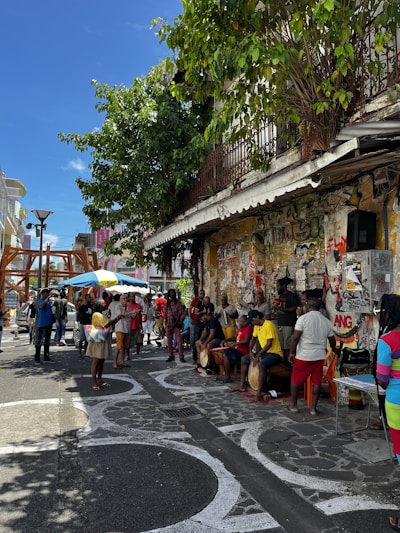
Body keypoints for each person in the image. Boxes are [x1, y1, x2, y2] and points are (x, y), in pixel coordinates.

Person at [288, 297, 337, 415]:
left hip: (304, 355)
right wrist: (335, 351)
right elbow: (332, 341)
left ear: (307, 306)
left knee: (295, 380)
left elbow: (295, 338)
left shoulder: (303, 319)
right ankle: (313, 409)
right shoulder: (326, 322)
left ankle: (294, 406)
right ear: (320, 307)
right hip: (319, 356)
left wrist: (291, 352)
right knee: (317, 382)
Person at [233, 311, 283, 401]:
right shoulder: (256, 326)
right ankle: (241, 385)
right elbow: (253, 339)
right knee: (244, 359)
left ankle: (259, 393)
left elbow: (269, 344)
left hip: (275, 353)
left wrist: (257, 356)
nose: (251, 323)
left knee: (261, 364)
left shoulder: (268, 325)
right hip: (264, 353)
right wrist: (250, 351)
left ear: (257, 317)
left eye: (252, 320)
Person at [86, 298, 122, 391]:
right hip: (98, 339)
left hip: (103, 338)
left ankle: (99, 379)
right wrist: (116, 317)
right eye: (102, 303)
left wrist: (117, 318)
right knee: (96, 361)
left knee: (101, 361)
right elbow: (106, 324)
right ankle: (94, 381)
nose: (105, 304)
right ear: (98, 305)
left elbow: (110, 323)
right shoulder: (96, 314)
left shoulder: (102, 314)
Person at [220, 315, 252, 383]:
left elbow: (246, 340)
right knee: (223, 351)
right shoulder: (240, 329)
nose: (238, 323)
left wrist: (234, 344)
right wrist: (226, 340)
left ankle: (228, 377)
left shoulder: (248, 329)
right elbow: (235, 337)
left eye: (240, 321)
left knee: (226, 355)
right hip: (237, 349)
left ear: (245, 322)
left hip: (243, 351)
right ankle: (225, 373)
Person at [273, 277, 299, 361]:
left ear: (283, 286)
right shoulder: (280, 296)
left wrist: (284, 310)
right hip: (280, 322)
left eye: (278, 286)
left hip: (288, 323)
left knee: (287, 344)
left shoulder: (291, 296)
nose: (277, 287)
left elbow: (294, 308)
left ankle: (289, 363)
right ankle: (283, 362)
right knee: (281, 344)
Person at [165, 288, 185, 362]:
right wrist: (166, 324)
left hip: (176, 325)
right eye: (170, 293)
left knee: (179, 341)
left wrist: (174, 324)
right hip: (168, 325)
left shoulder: (178, 303)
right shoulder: (167, 304)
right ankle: (171, 355)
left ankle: (181, 356)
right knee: (169, 341)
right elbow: (166, 315)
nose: (172, 294)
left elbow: (180, 314)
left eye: (173, 293)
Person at [34, 288, 54, 364]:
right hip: (42, 324)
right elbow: (41, 306)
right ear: (42, 294)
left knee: (47, 341)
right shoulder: (40, 301)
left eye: (48, 293)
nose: (47, 294)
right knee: (39, 341)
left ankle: (46, 356)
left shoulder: (49, 302)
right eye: (46, 293)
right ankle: (37, 357)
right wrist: (47, 299)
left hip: (49, 324)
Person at [112, 294, 131, 369]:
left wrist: (135, 313)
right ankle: (114, 362)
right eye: (124, 298)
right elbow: (122, 315)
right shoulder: (118, 306)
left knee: (124, 346)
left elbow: (131, 316)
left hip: (126, 328)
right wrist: (132, 312)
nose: (125, 300)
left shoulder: (128, 307)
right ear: (120, 300)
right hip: (120, 328)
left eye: (126, 298)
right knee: (119, 346)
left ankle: (122, 361)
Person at [189, 289, 205, 363]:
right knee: (194, 337)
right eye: (200, 293)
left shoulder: (205, 301)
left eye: (203, 293)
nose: (201, 294)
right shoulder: (196, 301)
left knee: (201, 338)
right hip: (195, 321)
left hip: (203, 323)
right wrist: (190, 318)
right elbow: (190, 309)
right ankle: (195, 356)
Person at [127, 293, 143, 359]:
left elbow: (140, 316)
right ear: (129, 298)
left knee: (138, 341)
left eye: (133, 296)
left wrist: (141, 324)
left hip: (137, 325)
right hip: (129, 326)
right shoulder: (127, 305)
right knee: (127, 341)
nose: (132, 298)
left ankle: (138, 353)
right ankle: (127, 355)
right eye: (131, 296)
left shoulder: (138, 306)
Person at [77, 293, 93, 358]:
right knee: (81, 338)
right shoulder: (82, 307)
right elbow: (78, 313)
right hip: (83, 323)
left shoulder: (91, 306)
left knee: (87, 339)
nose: (90, 299)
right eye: (89, 297)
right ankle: (80, 352)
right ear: (86, 298)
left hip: (89, 323)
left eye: (90, 297)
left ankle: (86, 352)